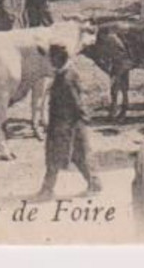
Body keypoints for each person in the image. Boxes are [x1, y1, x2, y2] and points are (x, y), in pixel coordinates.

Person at [37, 44, 100, 199]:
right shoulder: (62, 74)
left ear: (59, 59)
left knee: (78, 156)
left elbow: (77, 104)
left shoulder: (68, 77)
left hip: (69, 126)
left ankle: (94, 185)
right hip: (60, 125)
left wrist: (81, 124)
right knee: (56, 157)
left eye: (52, 58)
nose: (50, 62)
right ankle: (47, 189)